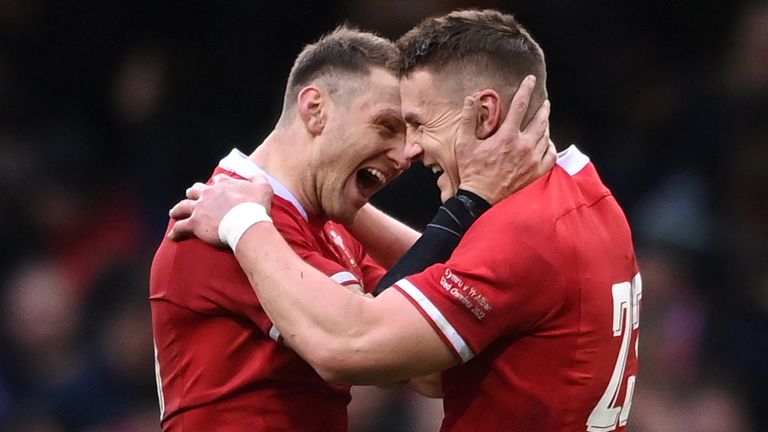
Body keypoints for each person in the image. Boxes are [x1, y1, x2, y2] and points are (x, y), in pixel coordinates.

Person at [169, 9, 641, 432]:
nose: (410, 152)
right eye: (392, 126)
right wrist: (349, 210)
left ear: (484, 113)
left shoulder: (525, 231)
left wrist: (244, 220)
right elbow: (422, 350)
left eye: (418, 123)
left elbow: (356, 346)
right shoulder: (588, 195)